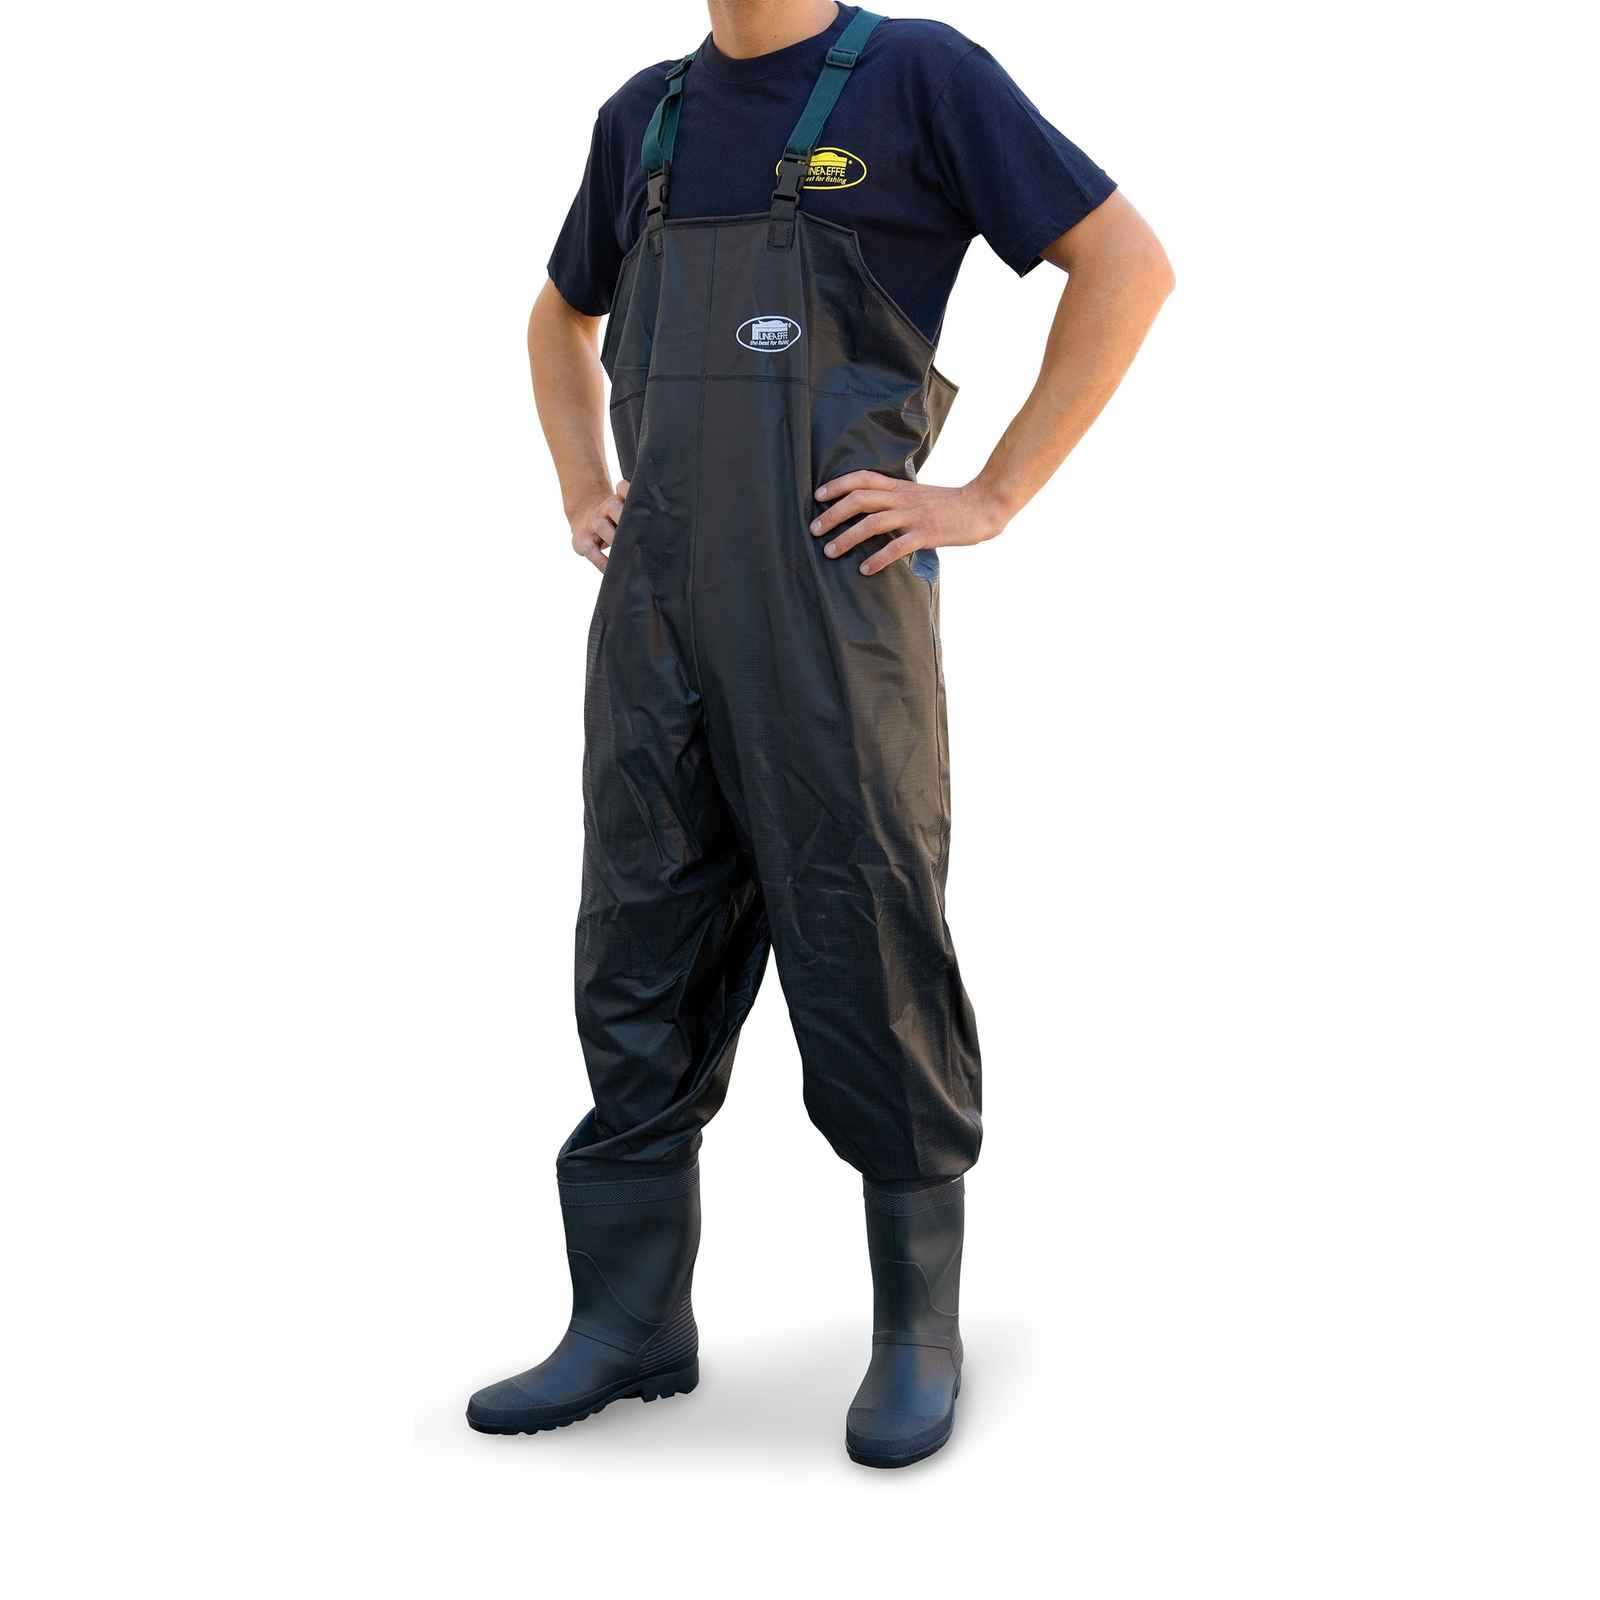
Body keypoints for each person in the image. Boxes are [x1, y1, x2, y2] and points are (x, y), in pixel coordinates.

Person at [467, 0, 1172, 1467]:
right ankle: (630, 1322)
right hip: (655, 615)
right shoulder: (646, 115)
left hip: (834, 614)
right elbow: (557, 316)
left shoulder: (920, 77)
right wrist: (581, 483)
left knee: (866, 943)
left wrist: (987, 497)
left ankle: (917, 1333)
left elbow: (1127, 262)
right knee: (636, 947)